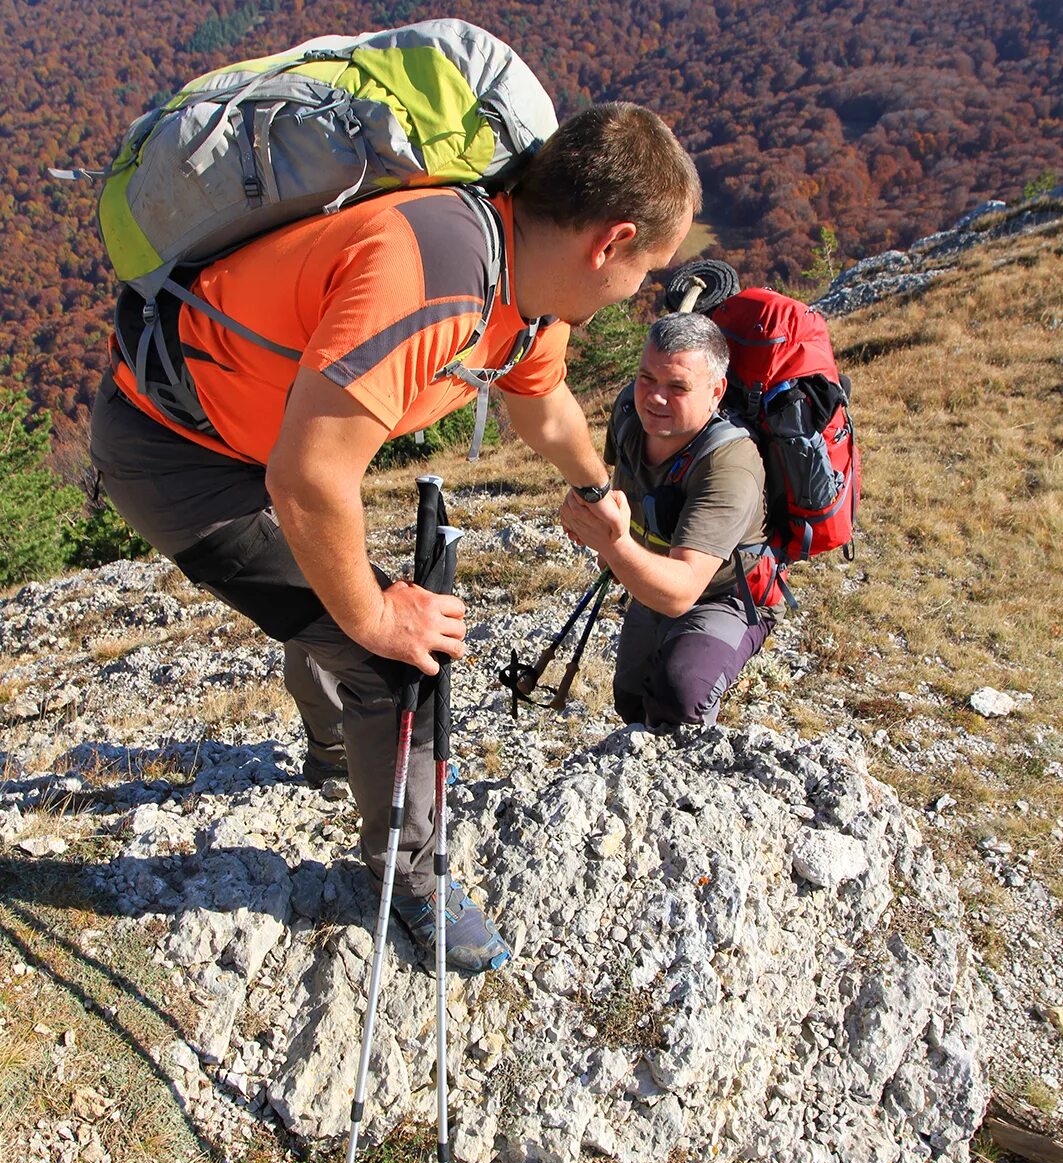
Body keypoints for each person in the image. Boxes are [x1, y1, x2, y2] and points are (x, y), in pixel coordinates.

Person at [89, 101, 700, 972]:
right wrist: (376, 621)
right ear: (611, 242)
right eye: (649, 268)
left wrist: (596, 489)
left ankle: (331, 743)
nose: (638, 292)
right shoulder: (434, 280)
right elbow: (306, 484)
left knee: (339, 602)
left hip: (242, 433)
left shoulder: (522, 284)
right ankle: (405, 880)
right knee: (394, 654)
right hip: (177, 452)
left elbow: (538, 396)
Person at [560, 311, 782, 730]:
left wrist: (612, 544)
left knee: (677, 700)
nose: (654, 398)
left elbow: (681, 590)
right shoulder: (630, 412)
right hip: (653, 570)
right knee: (631, 698)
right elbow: (616, 484)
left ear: (716, 392)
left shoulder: (730, 464)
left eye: (677, 387)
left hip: (726, 594)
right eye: (647, 378)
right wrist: (586, 506)